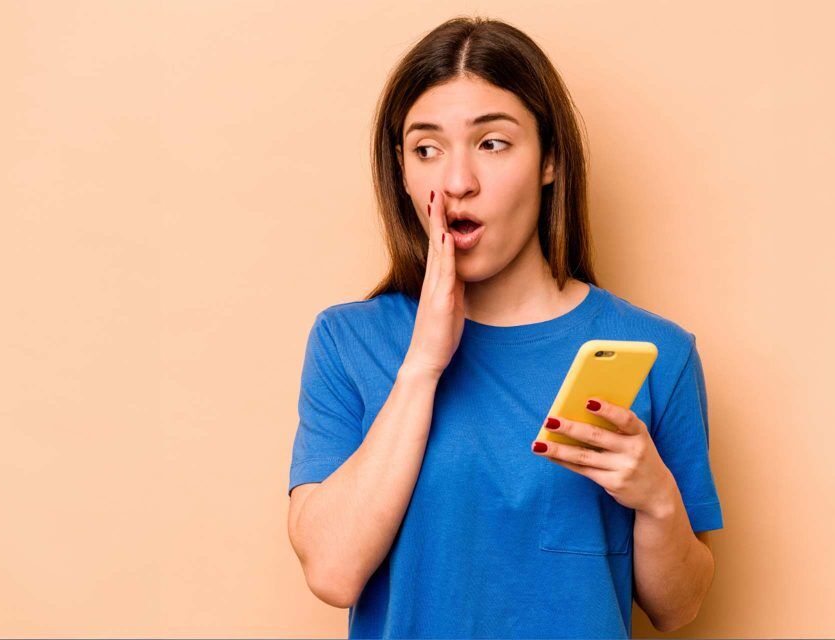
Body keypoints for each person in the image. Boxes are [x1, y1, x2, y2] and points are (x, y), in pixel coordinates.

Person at [286, 15, 723, 638]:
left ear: (550, 159)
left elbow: (678, 608)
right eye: (426, 149)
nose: (457, 183)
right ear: (402, 171)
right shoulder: (348, 341)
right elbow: (332, 572)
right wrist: (423, 365)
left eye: (492, 143)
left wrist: (656, 500)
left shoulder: (657, 353)